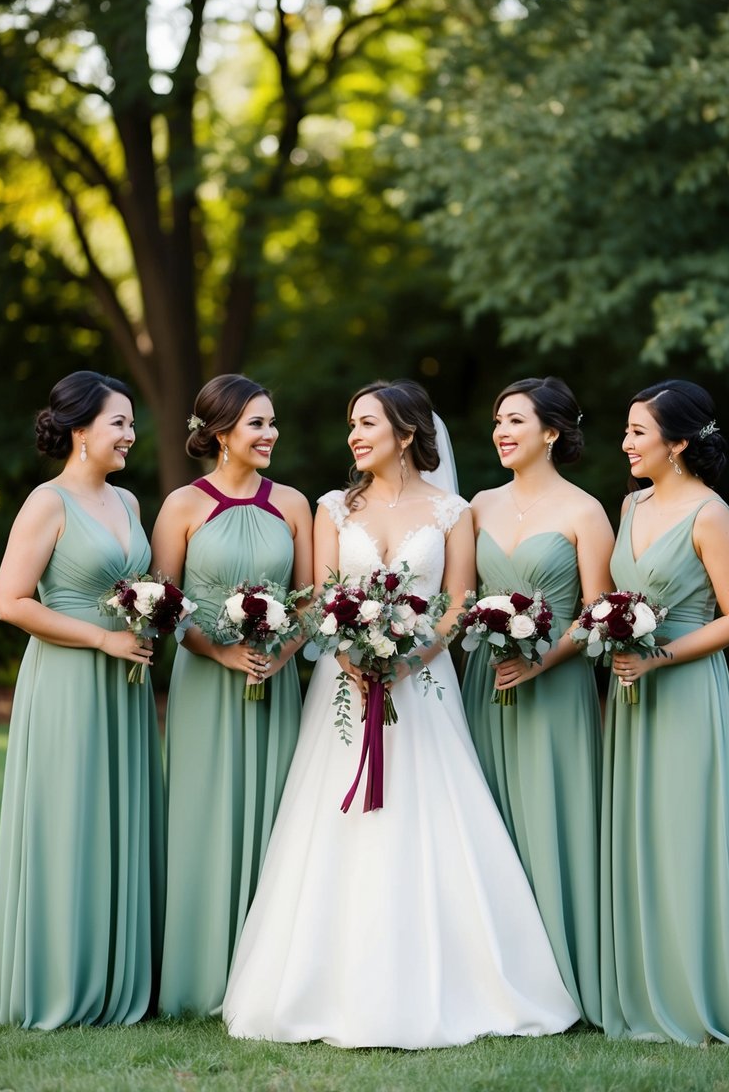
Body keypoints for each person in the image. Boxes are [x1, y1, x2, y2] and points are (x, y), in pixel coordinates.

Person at [222, 379, 579, 1048]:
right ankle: (319, 987)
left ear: (406, 435)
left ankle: (459, 983)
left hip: (425, 685)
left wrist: (410, 658)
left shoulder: (452, 511)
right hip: (342, 685)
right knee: (332, 823)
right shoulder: (333, 507)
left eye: (366, 424)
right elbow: (324, 595)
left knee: (431, 818)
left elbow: (456, 601)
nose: (353, 436)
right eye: (351, 424)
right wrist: (350, 654)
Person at [602, 379, 729, 1044]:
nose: (624, 443)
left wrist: (659, 656)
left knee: (685, 838)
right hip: (631, 699)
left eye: (637, 433)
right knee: (640, 838)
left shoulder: (709, 515)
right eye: (624, 431)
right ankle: (645, 994)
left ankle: (698, 998)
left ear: (676, 444)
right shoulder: (629, 506)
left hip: (684, 693)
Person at [0, 371, 165, 1029]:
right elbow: (11, 602)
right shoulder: (47, 502)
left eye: (130, 422)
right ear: (81, 430)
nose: (129, 434)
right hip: (67, 679)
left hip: (126, 679)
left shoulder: (128, 505)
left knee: (118, 815)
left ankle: (118, 976)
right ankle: (61, 980)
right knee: (70, 818)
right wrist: (99, 638)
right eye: (118, 422)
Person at [152, 374, 312, 1017]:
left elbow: (310, 603)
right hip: (205, 686)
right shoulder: (183, 506)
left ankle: (269, 977)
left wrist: (282, 654)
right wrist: (219, 651)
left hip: (275, 685)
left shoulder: (294, 505)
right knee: (204, 815)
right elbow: (161, 606)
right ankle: (199, 977)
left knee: (278, 818)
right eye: (257, 424)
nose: (270, 434)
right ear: (220, 433)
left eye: (273, 422)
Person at [462, 377, 614, 1027]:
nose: (501, 430)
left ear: (550, 433)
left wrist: (540, 658)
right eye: (497, 420)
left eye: (515, 420)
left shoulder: (584, 512)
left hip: (553, 688)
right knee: (484, 822)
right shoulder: (478, 505)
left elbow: (601, 611)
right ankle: (490, 982)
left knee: (554, 821)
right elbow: (459, 600)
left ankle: (564, 980)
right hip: (483, 683)